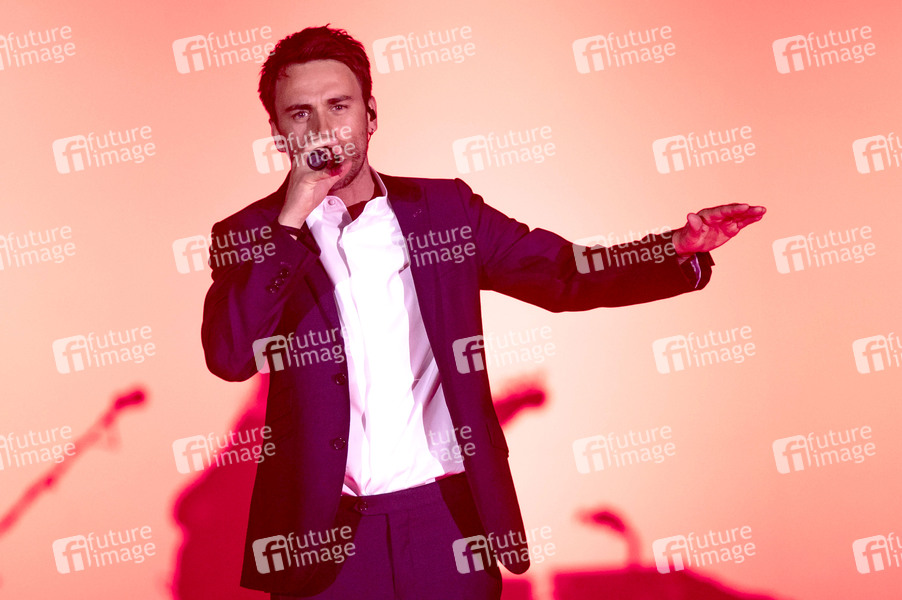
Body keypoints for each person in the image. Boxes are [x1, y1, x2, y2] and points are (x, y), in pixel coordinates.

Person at [201, 25, 765, 600]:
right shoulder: (250, 234)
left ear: (370, 115)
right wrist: (289, 225)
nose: (323, 130)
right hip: (322, 539)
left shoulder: (445, 210)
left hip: (446, 520)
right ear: (277, 133)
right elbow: (230, 356)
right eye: (300, 114)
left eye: (338, 106)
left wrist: (675, 248)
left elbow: (564, 274)